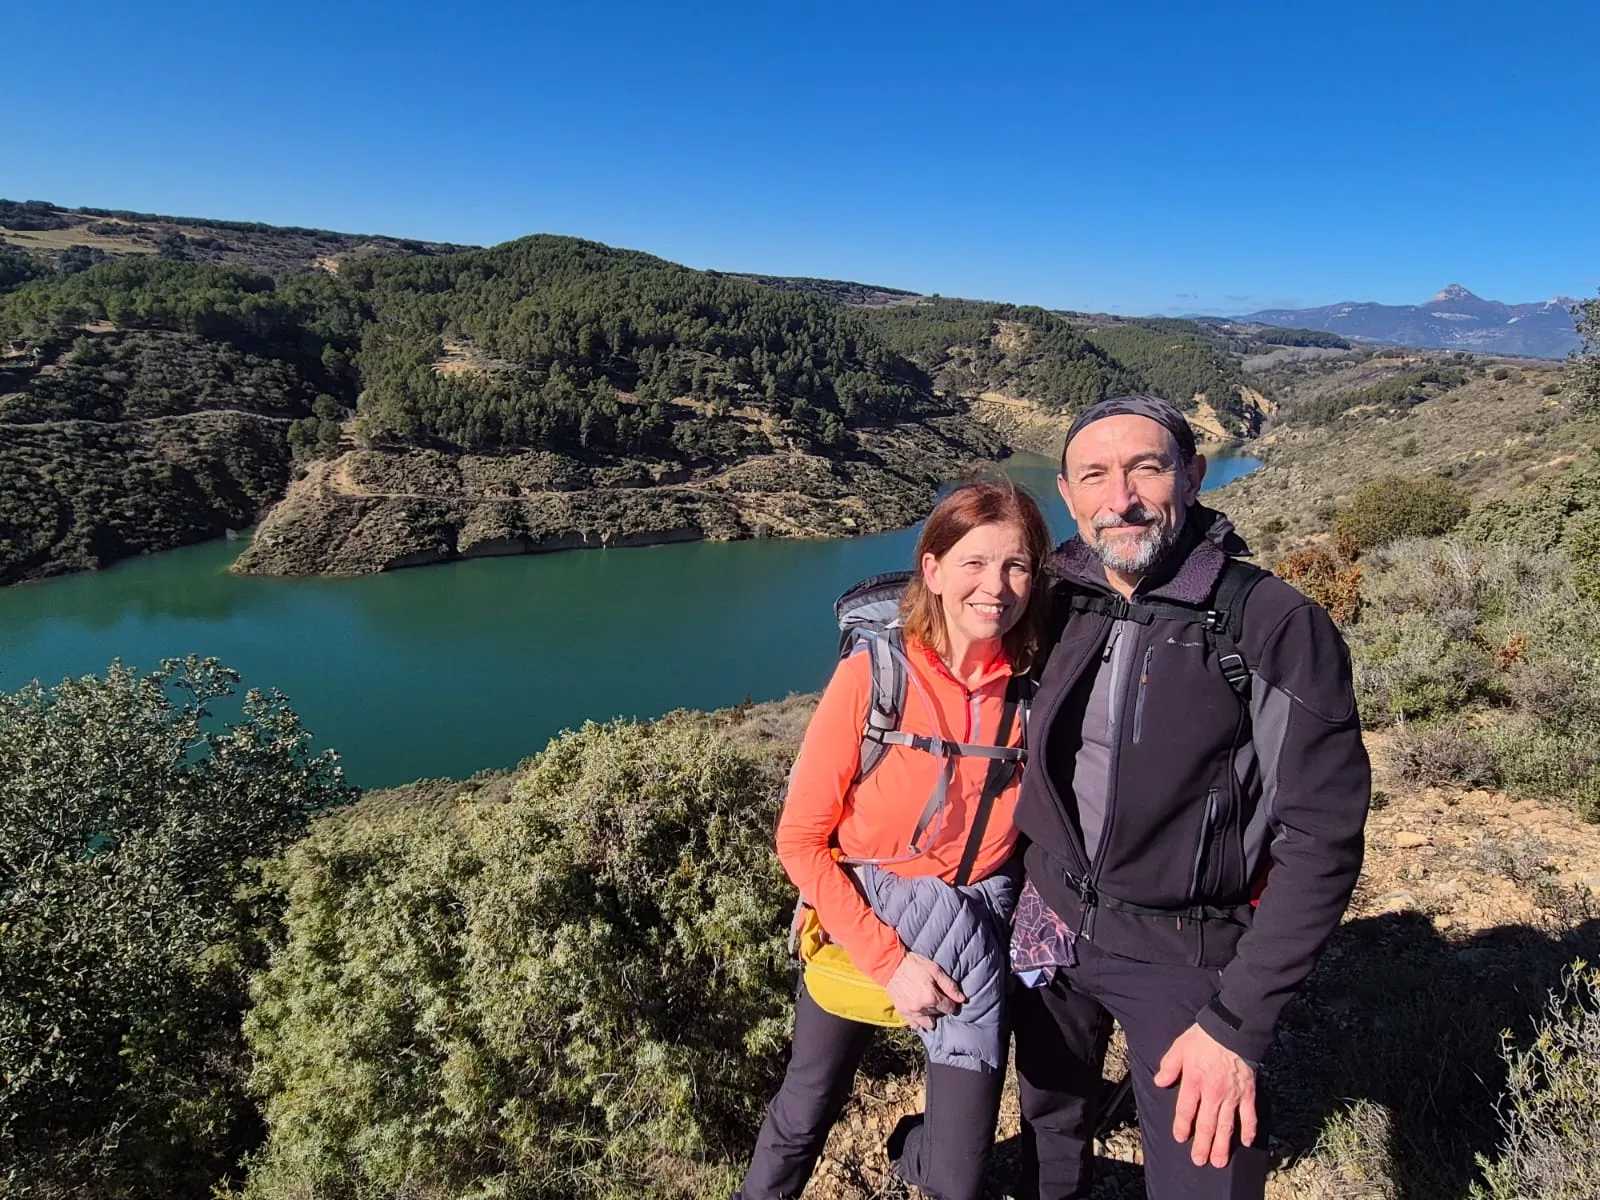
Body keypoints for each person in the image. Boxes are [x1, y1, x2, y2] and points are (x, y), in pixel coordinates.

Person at [1010, 395, 1371, 1200]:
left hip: (1185, 953)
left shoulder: (1271, 623)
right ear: (1065, 495)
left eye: (1147, 467)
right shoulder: (1057, 600)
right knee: (1050, 1139)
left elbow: (1323, 839)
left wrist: (1238, 1025)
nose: (1122, 498)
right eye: (1094, 475)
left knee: (1208, 1178)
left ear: (1194, 476)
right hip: (1051, 926)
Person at [735, 480, 1052, 1200]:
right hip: (864, 920)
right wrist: (891, 961)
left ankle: (913, 1146)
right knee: (804, 1110)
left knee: (957, 1178)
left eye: (1017, 566)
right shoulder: (873, 678)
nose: (996, 587)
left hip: (973, 927)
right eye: (974, 563)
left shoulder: (1037, 692)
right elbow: (801, 840)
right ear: (933, 572)